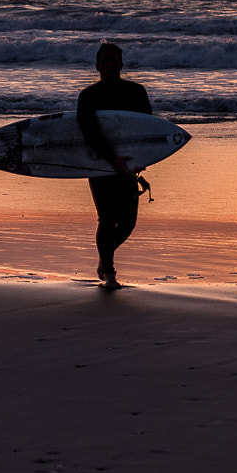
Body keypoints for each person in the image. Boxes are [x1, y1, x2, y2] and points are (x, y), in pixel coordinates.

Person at [76, 42, 151, 290]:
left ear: (121, 64)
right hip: (98, 164)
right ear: (97, 66)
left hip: (128, 164)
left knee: (128, 222)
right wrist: (111, 159)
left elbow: (146, 127)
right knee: (107, 219)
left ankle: (104, 254)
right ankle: (109, 273)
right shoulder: (88, 96)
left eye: (113, 61)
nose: (109, 65)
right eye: (104, 61)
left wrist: (142, 158)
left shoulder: (137, 92)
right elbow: (89, 133)